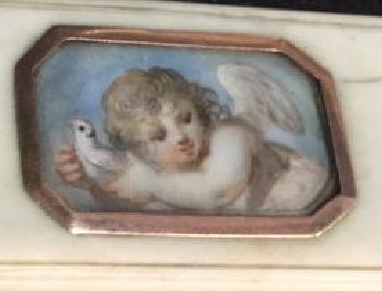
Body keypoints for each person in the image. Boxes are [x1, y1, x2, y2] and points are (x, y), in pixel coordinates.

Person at [54, 67, 331, 214]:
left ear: (199, 110)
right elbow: (135, 204)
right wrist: (90, 182)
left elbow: (219, 191)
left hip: (305, 198)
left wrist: (151, 184)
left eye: (186, 118)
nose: (180, 136)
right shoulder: (162, 173)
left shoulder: (228, 136)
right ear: (140, 149)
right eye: (159, 136)